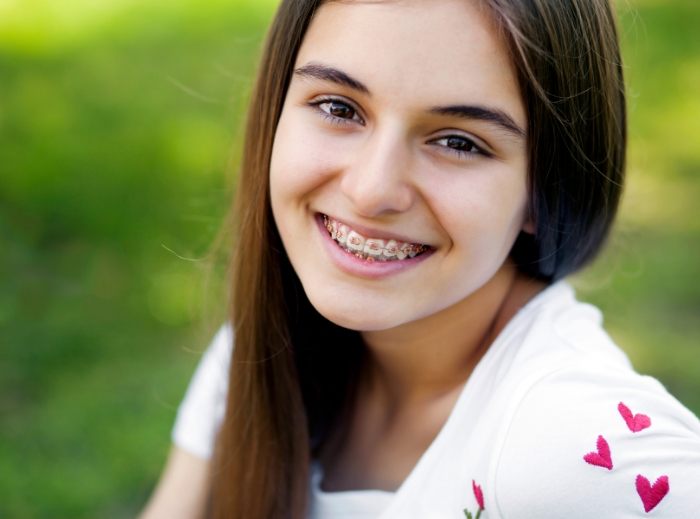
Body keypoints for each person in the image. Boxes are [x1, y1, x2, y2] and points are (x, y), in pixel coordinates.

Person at [140, 0, 700, 517]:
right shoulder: (264, 351)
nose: (372, 190)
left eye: (458, 142)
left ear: (545, 187)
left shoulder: (570, 446)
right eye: (339, 107)